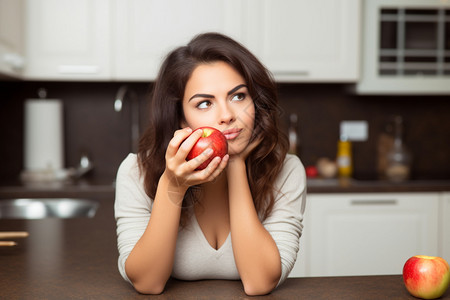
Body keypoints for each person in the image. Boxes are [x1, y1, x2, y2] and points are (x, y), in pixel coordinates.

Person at [114, 32, 306, 296]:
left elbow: (259, 283)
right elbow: (148, 283)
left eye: (238, 96)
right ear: (182, 119)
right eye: (204, 103)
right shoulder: (136, 172)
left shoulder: (287, 171)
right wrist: (173, 184)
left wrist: (235, 163)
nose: (227, 116)